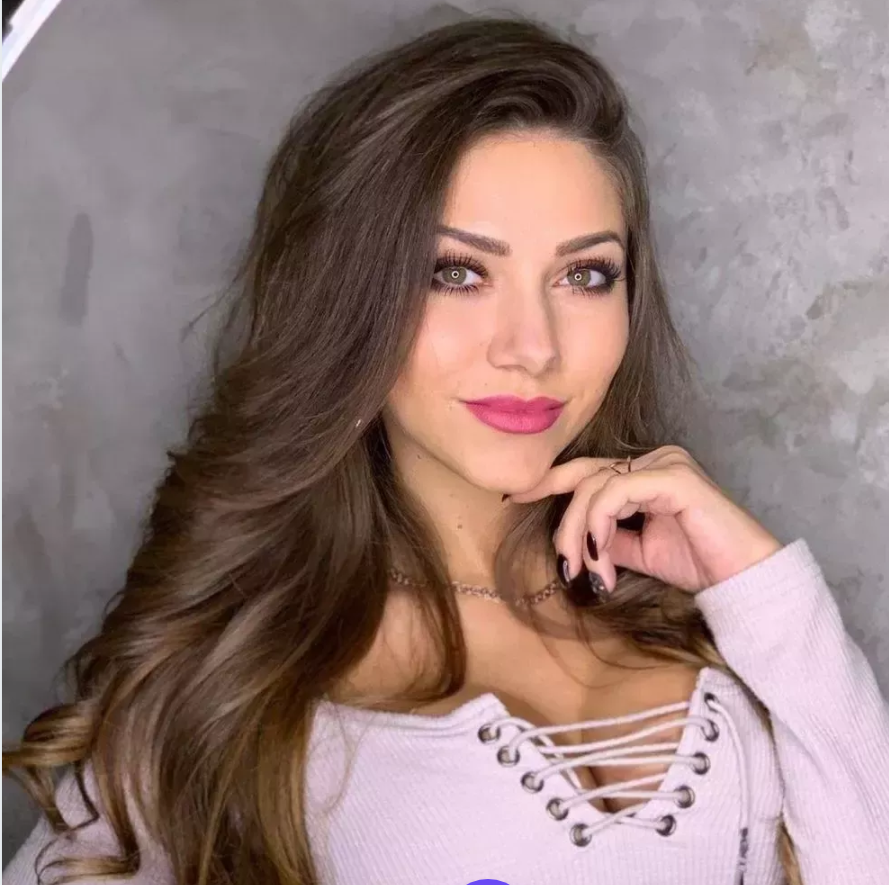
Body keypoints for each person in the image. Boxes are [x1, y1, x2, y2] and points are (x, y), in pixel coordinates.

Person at [4, 15, 889, 885]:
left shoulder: (731, 629)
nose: (531, 346)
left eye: (583, 275)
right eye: (456, 273)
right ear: (351, 300)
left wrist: (766, 591)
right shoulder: (239, 677)